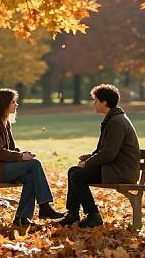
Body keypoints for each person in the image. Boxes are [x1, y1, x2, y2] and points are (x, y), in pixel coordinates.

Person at [0, 88, 64, 226]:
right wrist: (21, 157)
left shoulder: (4, 122)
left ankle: (22, 218)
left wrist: (23, 154)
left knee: (30, 177)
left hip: (0, 167)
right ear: (4, 104)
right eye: (13, 102)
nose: (16, 105)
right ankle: (44, 206)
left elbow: (10, 149)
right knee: (34, 164)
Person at [59, 84, 140, 228]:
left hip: (121, 171)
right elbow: (106, 150)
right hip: (115, 167)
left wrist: (88, 163)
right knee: (74, 171)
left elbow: (109, 154)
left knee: (77, 175)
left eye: (96, 100)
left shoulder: (116, 122)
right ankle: (72, 214)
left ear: (104, 102)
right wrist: (89, 157)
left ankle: (93, 215)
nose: (93, 103)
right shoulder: (113, 119)